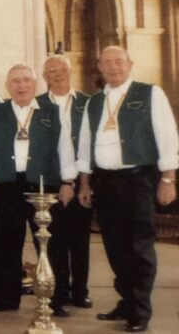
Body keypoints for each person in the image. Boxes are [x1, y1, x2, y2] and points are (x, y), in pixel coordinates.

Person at [77, 46, 178, 333]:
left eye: (119, 62)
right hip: (105, 182)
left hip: (138, 180)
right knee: (114, 245)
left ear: (130, 64)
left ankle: (140, 310)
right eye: (107, 63)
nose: (113, 67)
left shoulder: (150, 93)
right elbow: (85, 145)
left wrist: (168, 179)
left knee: (139, 245)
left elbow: (167, 136)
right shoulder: (94, 103)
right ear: (99, 67)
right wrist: (84, 183)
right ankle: (127, 301)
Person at [0, 64, 76, 312]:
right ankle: (7, 298)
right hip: (7, 183)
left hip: (43, 185)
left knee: (52, 243)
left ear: (35, 84)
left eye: (25, 81)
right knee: (6, 244)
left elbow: (65, 148)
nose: (21, 86)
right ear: (8, 87)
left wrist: (68, 182)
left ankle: (57, 299)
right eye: (16, 82)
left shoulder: (53, 112)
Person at [39, 55, 93, 316]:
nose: (57, 74)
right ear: (44, 76)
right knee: (54, 239)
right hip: (49, 181)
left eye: (61, 69)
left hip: (83, 180)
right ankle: (57, 292)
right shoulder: (36, 105)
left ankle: (80, 291)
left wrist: (81, 182)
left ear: (70, 72)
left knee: (80, 238)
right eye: (51, 70)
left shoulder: (88, 103)